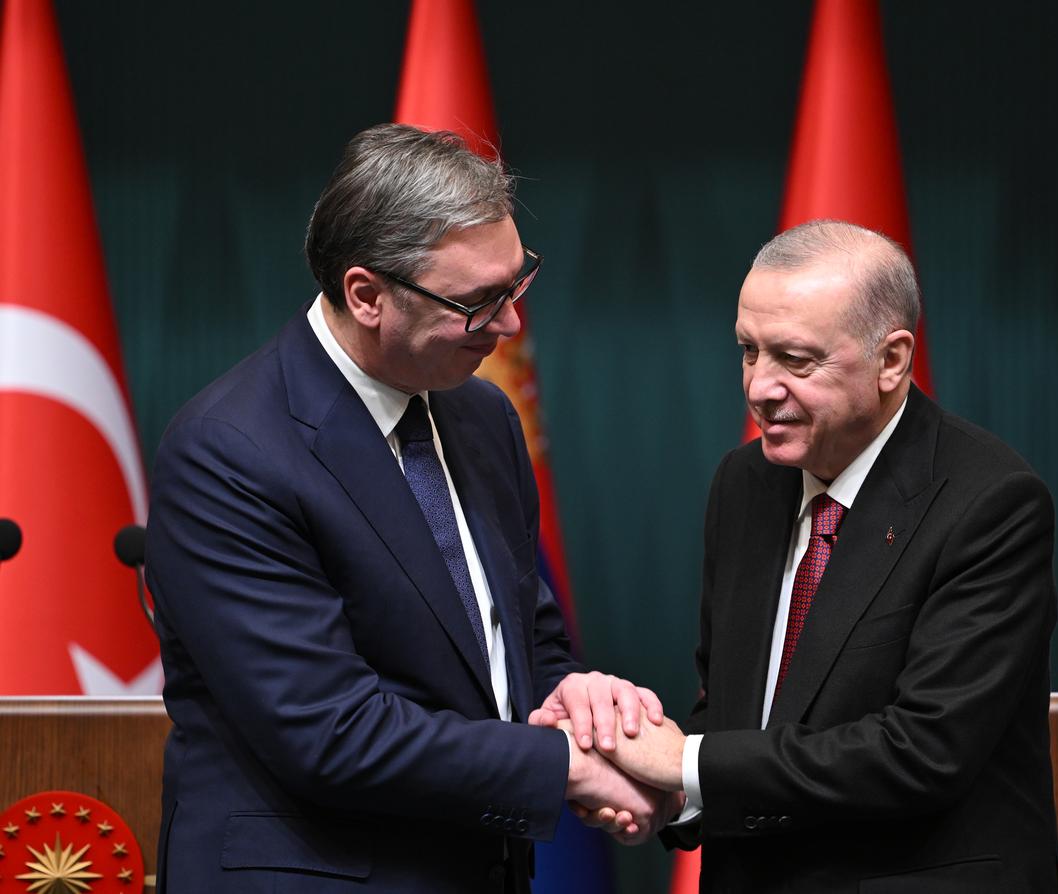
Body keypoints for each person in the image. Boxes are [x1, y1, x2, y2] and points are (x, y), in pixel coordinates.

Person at [145, 124, 670, 894]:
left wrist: (573, 698)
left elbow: (522, 638)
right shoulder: (229, 449)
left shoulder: (482, 416)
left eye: (516, 282)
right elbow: (330, 730)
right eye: (477, 302)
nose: (511, 325)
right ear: (366, 295)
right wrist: (569, 767)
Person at [599, 221, 1058, 892]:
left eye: (795, 359)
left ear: (892, 361)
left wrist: (686, 764)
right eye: (748, 350)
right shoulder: (744, 483)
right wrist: (666, 791)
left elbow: (922, 752)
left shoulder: (989, 501)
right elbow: (739, 711)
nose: (760, 386)